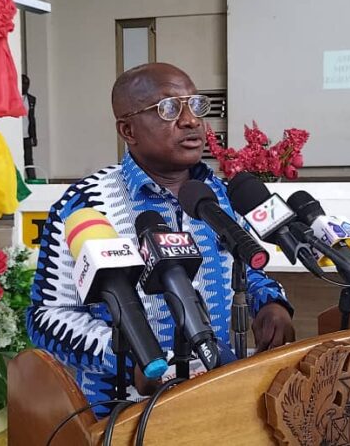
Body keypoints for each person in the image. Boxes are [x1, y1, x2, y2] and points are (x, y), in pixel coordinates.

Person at [26, 62, 295, 415]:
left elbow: (246, 271)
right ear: (128, 130)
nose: (191, 120)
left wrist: (272, 304)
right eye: (169, 108)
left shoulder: (222, 196)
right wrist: (128, 359)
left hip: (221, 393)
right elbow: (47, 317)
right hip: (123, 411)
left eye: (195, 105)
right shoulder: (84, 204)